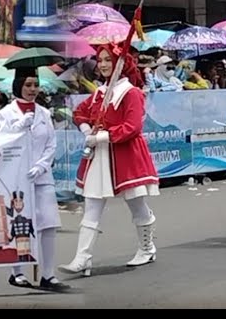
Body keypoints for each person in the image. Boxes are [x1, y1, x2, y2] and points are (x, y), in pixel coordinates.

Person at [62, 43, 160, 276]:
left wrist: (102, 137)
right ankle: (82, 258)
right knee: (92, 205)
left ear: (120, 64)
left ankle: (147, 248)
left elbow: (133, 127)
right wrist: (87, 131)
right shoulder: (99, 93)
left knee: (136, 204)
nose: (104, 64)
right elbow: (79, 113)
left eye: (109, 60)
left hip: (126, 155)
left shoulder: (131, 92)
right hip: (101, 157)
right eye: (101, 60)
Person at [0, 62, 66, 291]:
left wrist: (41, 165)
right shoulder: (5, 114)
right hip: (17, 178)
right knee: (20, 225)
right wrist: (19, 126)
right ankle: (17, 272)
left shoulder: (44, 113)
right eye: (28, 84)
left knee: (48, 224)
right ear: (19, 85)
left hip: (41, 176)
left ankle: (48, 274)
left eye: (36, 85)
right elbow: (2, 143)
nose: (33, 89)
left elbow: (51, 143)